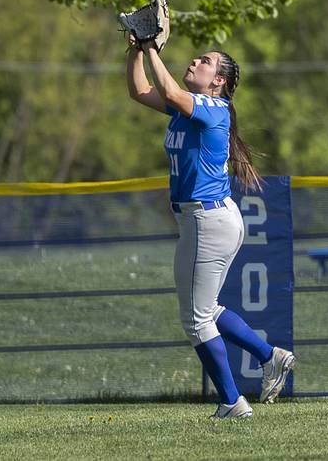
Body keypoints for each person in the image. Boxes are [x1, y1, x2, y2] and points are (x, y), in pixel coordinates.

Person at [126, 34, 295, 419]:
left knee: (195, 318)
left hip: (208, 219)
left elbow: (167, 89)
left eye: (204, 61)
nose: (195, 62)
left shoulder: (213, 107)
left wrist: (153, 47)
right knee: (209, 310)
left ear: (218, 81)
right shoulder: (189, 110)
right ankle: (271, 357)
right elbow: (140, 91)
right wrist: (136, 49)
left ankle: (232, 403)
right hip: (207, 220)